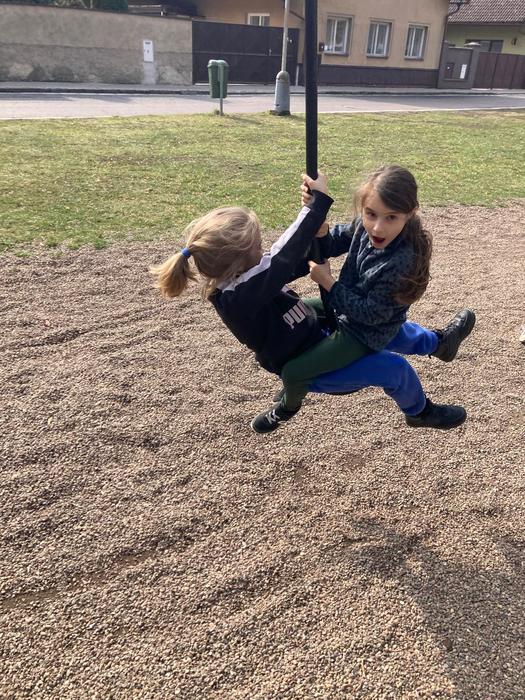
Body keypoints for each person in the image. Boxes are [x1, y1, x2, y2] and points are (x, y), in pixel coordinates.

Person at [150, 171, 473, 434]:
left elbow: (297, 257)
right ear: (238, 264)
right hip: (307, 360)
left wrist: (319, 233)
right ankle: (418, 411)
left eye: (389, 217)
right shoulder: (240, 297)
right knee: (393, 367)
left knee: (391, 328)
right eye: (259, 247)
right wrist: (315, 208)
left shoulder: (245, 279)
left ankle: (439, 344)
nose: (376, 225)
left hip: (310, 325)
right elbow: (283, 259)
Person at [250, 164, 475, 433]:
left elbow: (370, 314)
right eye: (371, 214)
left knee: (295, 372)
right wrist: (321, 228)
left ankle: (288, 404)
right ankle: (441, 344)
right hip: (352, 308)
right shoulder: (365, 226)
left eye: (391, 217)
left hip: (362, 331)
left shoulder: (401, 261)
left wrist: (328, 284)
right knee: (294, 309)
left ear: (410, 213)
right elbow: (336, 241)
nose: (377, 227)